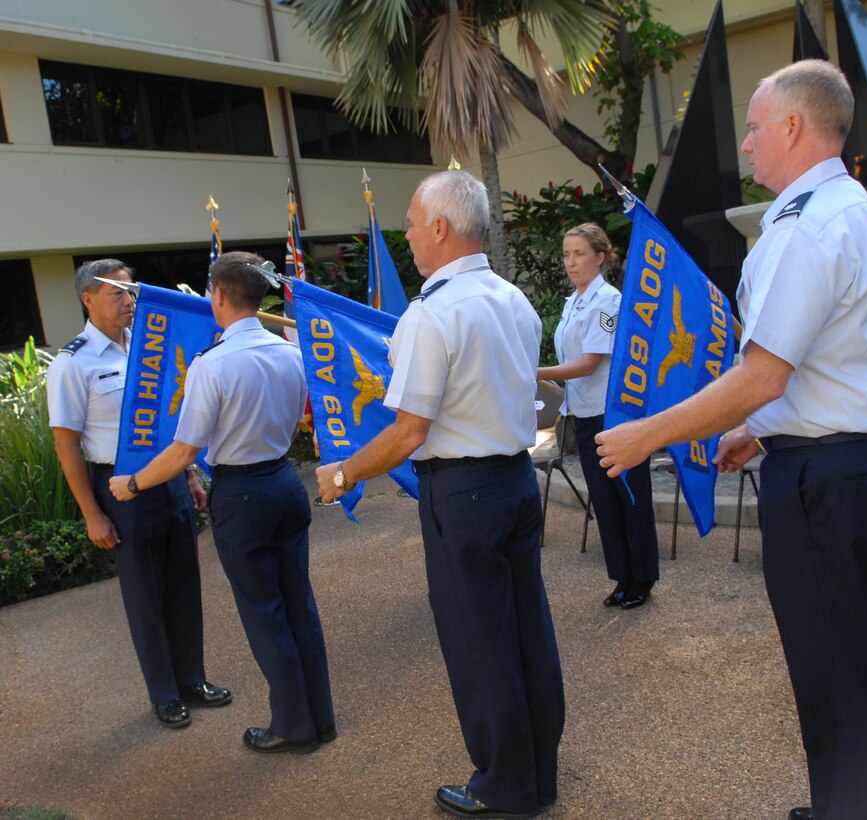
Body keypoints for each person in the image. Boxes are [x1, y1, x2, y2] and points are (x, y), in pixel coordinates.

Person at [594, 60, 867, 819]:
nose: (745, 145)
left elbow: (761, 375)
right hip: (866, 463)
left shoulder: (806, 229)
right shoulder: (850, 208)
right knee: (860, 661)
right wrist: (759, 433)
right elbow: (832, 365)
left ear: (794, 128)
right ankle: (854, 803)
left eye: (753, 127)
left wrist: (648, 433)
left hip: (829, 485)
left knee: (834, 667)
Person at [315, 170, 565, 818]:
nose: (406, 234)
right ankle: (538, 774)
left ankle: (502, 787)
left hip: (464, 493)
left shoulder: (433, 314)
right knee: (526, 630)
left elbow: (408, 432)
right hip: (514, 480)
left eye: (409, 221)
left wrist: (343, 474)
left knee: (479, 640)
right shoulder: (516, 301)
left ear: (439, 227)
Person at [109, 252, 334, 755]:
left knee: (265, 612)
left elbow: (184, 450)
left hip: (244, 493)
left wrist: (133, 484)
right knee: (299, 605)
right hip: (284, 483)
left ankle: (293, 726)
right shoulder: (290, 353)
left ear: (216, 296)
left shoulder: (212, 365)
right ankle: (320, 718)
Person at [46, 259, 231, 730]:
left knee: (185, 585)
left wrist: (189, 476)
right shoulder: (73, 362)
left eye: (132, 293)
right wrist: (92, 514)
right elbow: (66, 446)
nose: (130, 302)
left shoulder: (148, 347)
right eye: (119, 294)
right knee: (146, 594)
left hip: (167, 478)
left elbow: (169, 418)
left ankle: (193, 678)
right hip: (119, 490)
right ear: (88, 299)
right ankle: (165, 693)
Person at [537, 223, 659, 609]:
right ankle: (622, 577)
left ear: (600, 257)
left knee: (629, 495)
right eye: (566, 254)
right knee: (604, 500)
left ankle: (643, 577)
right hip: (584, 414)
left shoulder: (609, 300)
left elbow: (589, 364)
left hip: (614, 412)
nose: (570, 262)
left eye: (579, 254)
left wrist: (534, 372)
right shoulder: (573, 301)